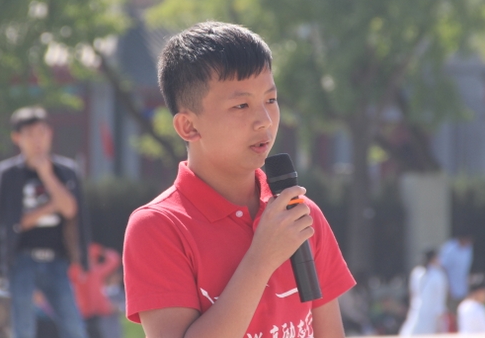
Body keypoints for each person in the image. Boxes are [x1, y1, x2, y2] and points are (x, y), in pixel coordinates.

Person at [123, 21, 355, 338]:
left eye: (271, 100)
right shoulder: (158, 227)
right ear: (189, 126)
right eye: (241, 105)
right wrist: (261, 259)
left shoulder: (300, 214)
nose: (264, 121)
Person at [0, 105, 90, 338]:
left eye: (42, 132)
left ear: (50, 134)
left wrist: (46, 174)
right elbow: (7, 222)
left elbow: (72, 210)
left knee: (74, 327)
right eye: (30, 134)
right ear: (17, 138)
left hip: (57, 261)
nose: (37, 140)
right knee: (23, 329)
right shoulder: (8, 173)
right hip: (21, 260)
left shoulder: (66, 170)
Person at [69, 243, 122, 338]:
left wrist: (101, 251)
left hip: (97, 312)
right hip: (81, 313)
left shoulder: (96, 271)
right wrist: (102, 251)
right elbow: (114, 259)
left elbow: (115, 260)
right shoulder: (75, 271)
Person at [399, 249, 448, 335]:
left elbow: (412, 293)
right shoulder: (438, 275)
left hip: (417, 309)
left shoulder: (416, 272)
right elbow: (440, 298)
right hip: (432, 314)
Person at [439, 234, 474, 308]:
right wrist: (447, 287)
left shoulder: (468, 248)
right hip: (450, 289)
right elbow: (443, 268)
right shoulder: (450, 248)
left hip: (463, 289)